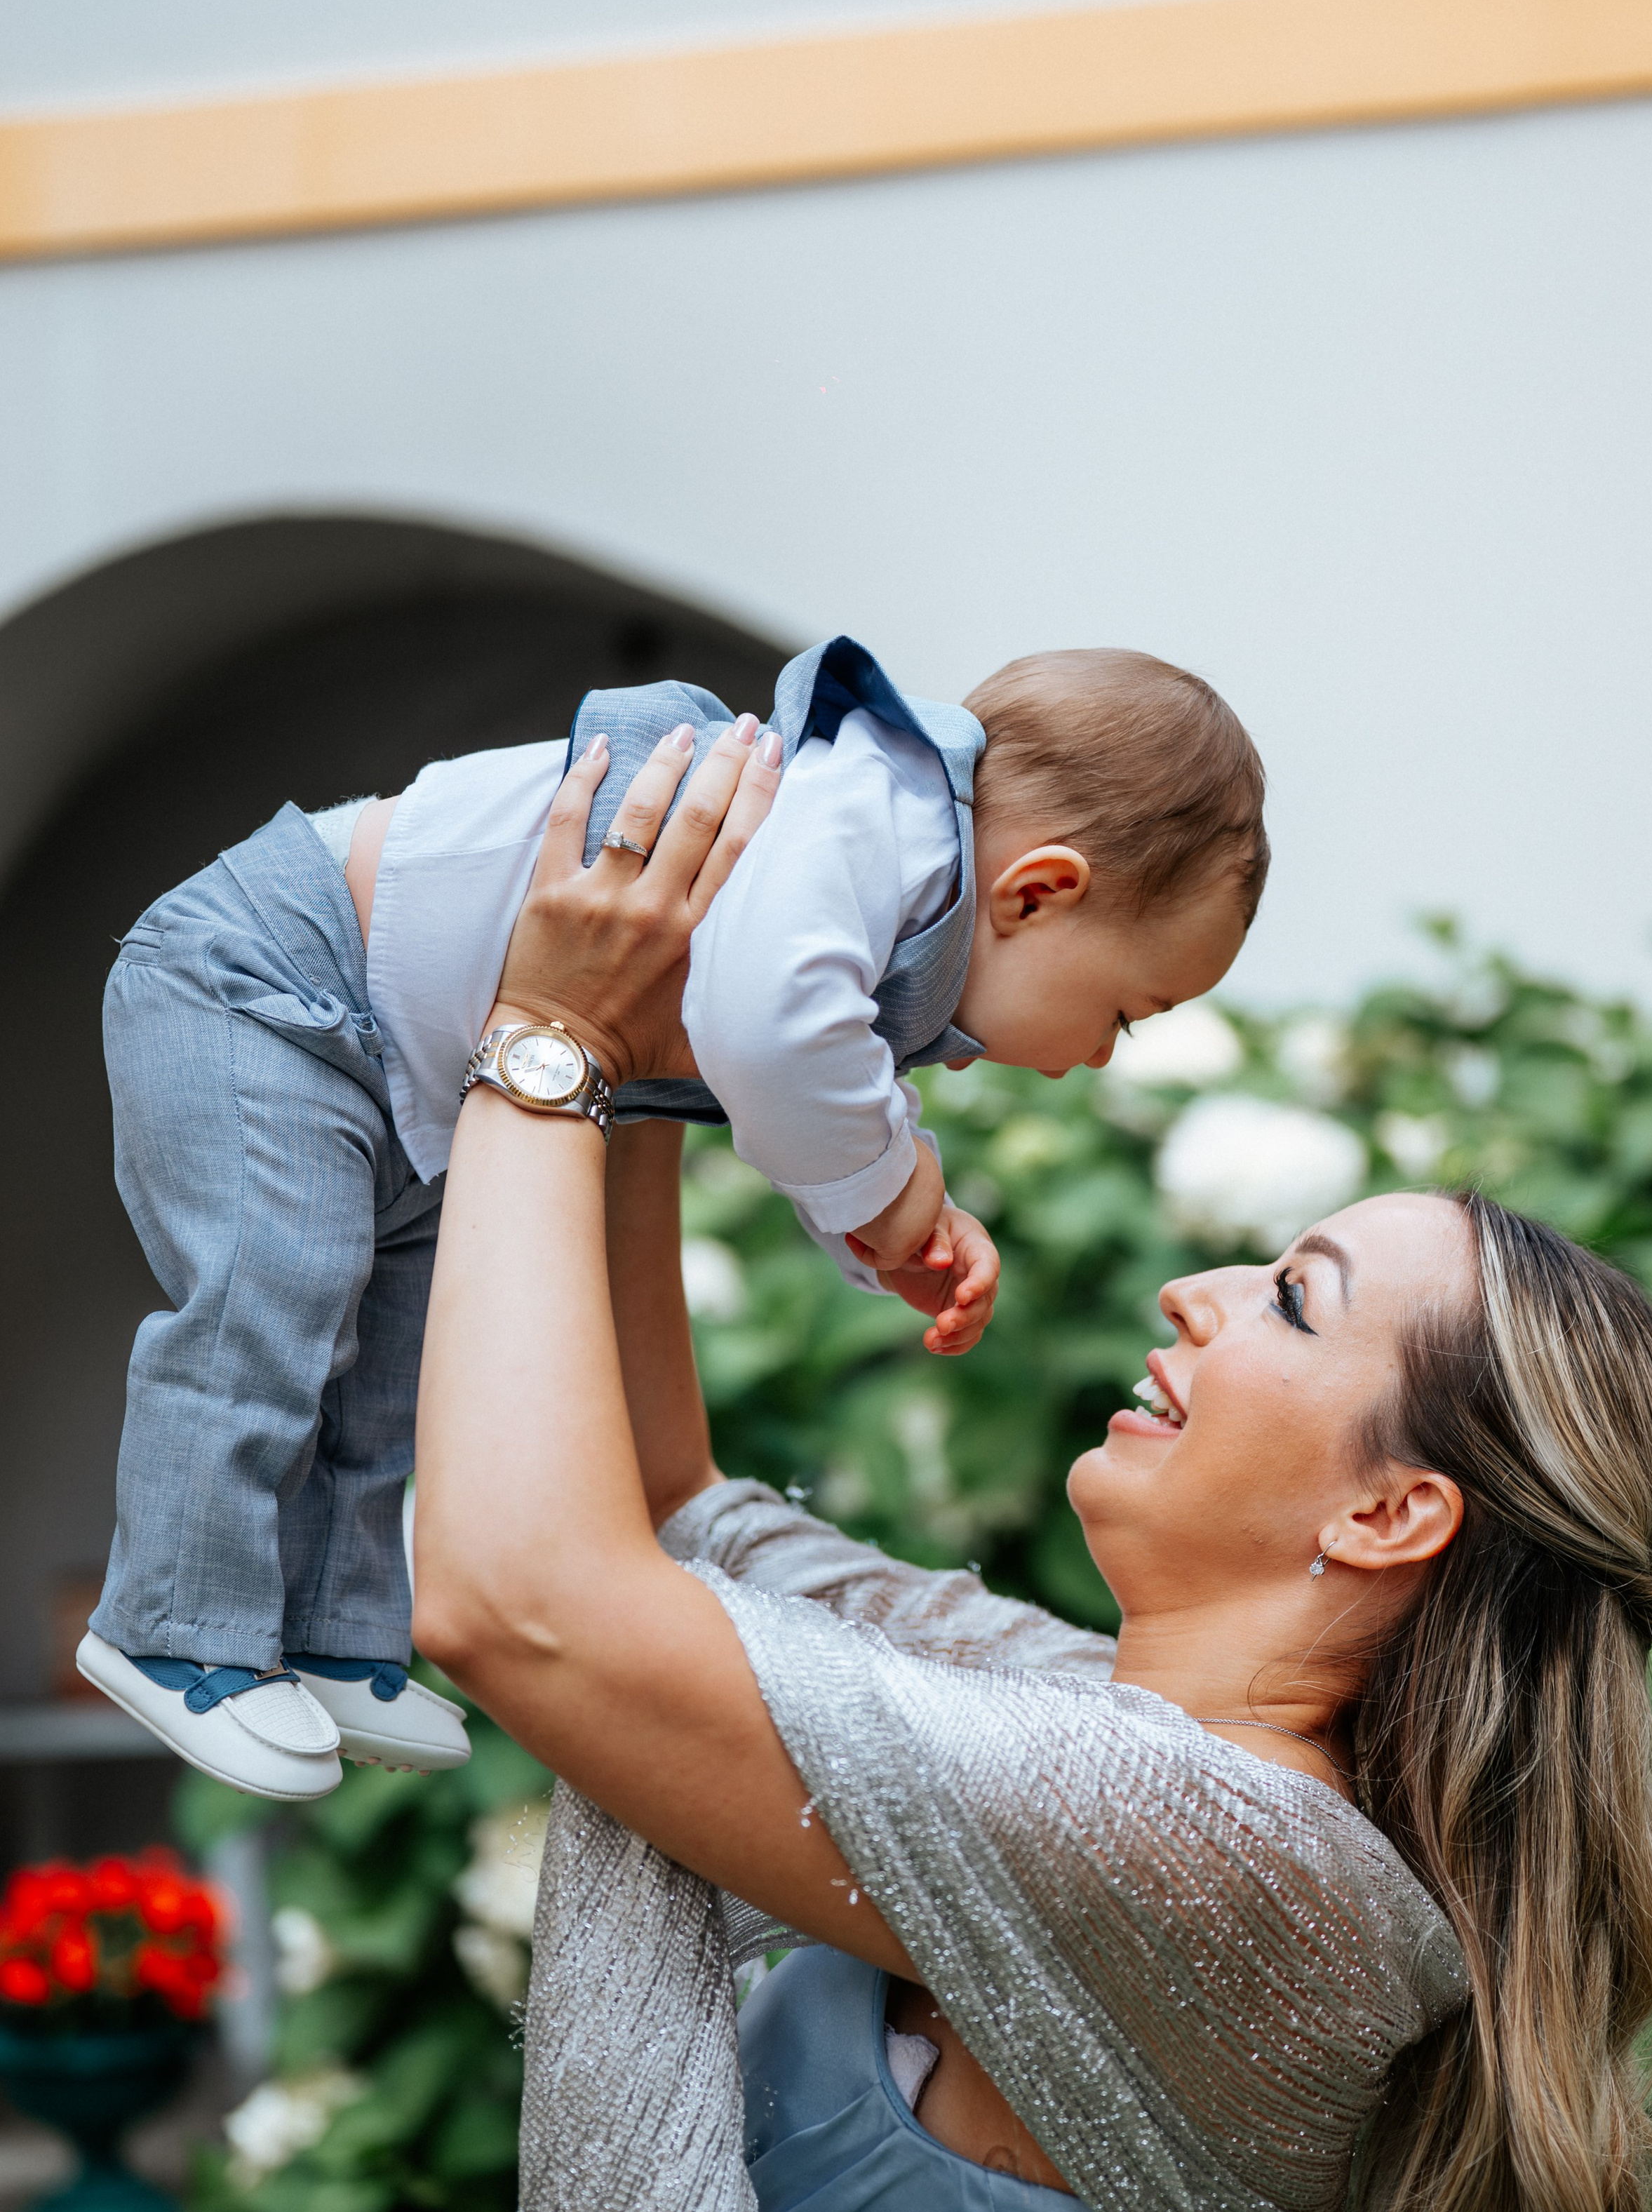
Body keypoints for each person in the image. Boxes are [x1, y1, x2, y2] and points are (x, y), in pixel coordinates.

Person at [410, 727, 1652, 2212]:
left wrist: (541, 1046)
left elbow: (525, 1601)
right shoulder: (1072, 1728)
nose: (1198, 1290)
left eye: (1290, 1299)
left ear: (1388, 1511)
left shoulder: (1235, 1871)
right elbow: (671, 1519)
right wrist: (674, 1005)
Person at [79, 635, 1265, 1805]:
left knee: (387, 1349)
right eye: (1128, 1010)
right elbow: (774, 1038)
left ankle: (334, 1636)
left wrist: (881, 1232)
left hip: (391, 1057)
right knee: (267, 1310)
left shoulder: (891, 882)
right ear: (1038, 891)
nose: (1102, 1055)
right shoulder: (867, 833)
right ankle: (173, 1628)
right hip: (264, 981)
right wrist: (898, 1195)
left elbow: (792, 1078)